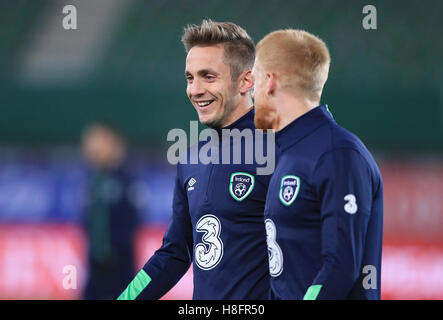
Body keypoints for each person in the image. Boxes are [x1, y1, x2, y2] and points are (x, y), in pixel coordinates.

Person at [118, 19, 273, 300]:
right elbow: (174, 253)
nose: (195, 89)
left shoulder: (281, 150)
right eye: (190, 78)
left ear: (246, 81)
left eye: (208, 76)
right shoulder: (191, 158)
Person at [252, 29, 383, 299]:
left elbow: (340, 266)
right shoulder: (289, 153)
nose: (250, 93)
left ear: (269, 81)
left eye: (253, 80)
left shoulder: (337, 153)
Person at [82, 123, 139, 300]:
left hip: (119, 262)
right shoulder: (94, 178)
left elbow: (132, 220)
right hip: (96, 260)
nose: (91, 148)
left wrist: (113, 249)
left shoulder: (124, 178)